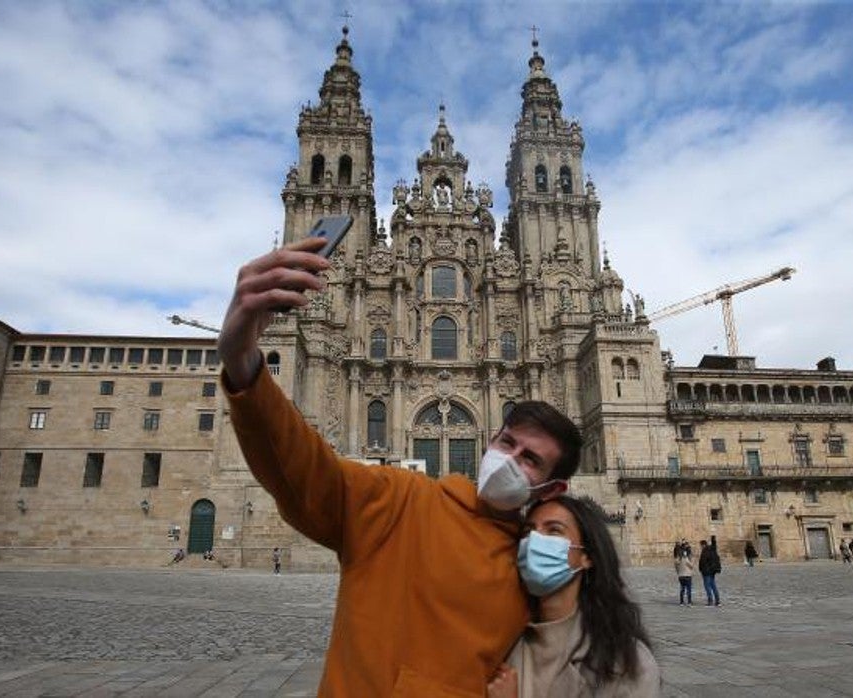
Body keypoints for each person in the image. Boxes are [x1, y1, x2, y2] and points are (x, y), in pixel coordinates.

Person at [218, 236, 583, 696]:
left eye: (529, 459)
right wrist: (244, 364)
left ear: (552, 489)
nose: (507, 460)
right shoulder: (399, 502)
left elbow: (574, 669)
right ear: (491, 438)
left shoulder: (540, 567)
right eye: (507, 442)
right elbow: (304, 470)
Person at [487, 496, 659, 697]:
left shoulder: (628, 663)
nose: (535, 540)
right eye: (528, 532)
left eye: (554, 530)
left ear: (586, 556)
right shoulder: (499, 642)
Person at [698, 536, 722, 606]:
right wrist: (713, 539)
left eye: (700, 545)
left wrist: (701, 569)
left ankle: (710, 601)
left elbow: (703, 562)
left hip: (706, 571)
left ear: (703, 545)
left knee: (707, 586)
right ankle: (717, 601)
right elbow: (714, 545)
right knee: (713, 585)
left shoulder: (705, 551)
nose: (700, 547)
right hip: (712, 571)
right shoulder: (712, 549)